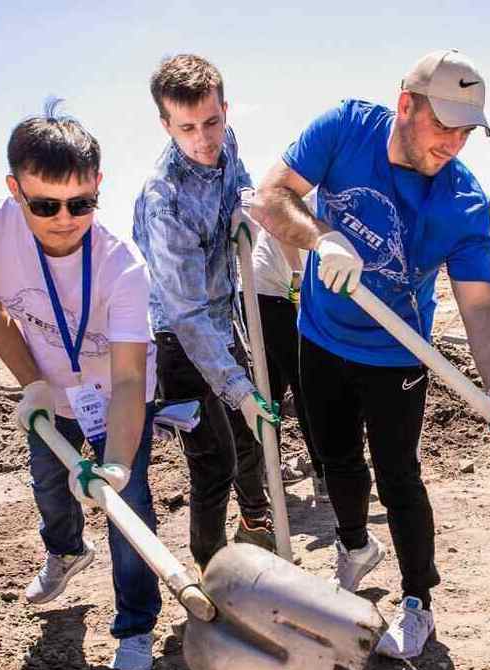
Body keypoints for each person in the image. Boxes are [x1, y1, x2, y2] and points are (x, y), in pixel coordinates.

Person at [251, 49, 490, 659]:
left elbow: (481, 305)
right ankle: (355, 547)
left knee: (399, 474)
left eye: (466, 132)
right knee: (335, 459)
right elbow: (272, 195)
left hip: (398, 353)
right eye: (444, 125)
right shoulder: (346, 128)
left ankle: (418, 601)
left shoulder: (462, 202)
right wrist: (320, 238)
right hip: (321, 336)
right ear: (406, 105)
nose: (454, 144)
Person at [0, 101, 162, 670]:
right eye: (45, 204)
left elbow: (128, 377)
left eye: (81, 203)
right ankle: (67, 551)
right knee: (50, 485)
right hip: (50, 389)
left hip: (117, 395)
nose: (64, 218)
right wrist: (33, 384)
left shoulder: (122, 266)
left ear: (98, 186)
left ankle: (135, 624)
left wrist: (119, 466)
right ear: (15, 189)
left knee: (126, 505)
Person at [133, 54, 280, 572]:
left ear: (225, 109)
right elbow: (187, 314)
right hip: (178, 337)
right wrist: (235, 388)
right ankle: (212, 569)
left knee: (251, 438)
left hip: (224, 320)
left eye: (212, 122)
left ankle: (257, 529)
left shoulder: (226, 140)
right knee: (214, 461)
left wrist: (243, 207)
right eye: (187, 128)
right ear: (166, 124)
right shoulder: (164, 200)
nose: (204, 139)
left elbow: (237, 175)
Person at [246, 190, 327, 500]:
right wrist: (297, 283)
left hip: (275, 293)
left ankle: (270, 473)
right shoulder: (314, 196)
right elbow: (281, 227)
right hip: (269, 294)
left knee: (277, 387)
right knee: (303, 384)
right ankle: (322, 473)